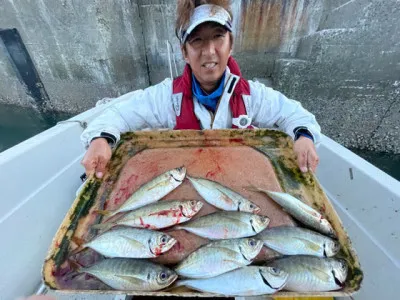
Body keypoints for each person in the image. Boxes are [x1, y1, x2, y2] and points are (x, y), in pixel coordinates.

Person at [80, 0, 321, 179]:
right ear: (184, 52)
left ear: (230, 45)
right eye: (197, 40)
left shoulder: (252, 96)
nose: (209, 51)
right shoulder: (166, 97)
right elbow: (117, 115)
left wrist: (304, 137)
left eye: (218, 37)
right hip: (187, 185)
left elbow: (295, 115)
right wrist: (101, 139)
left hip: (236, 180)